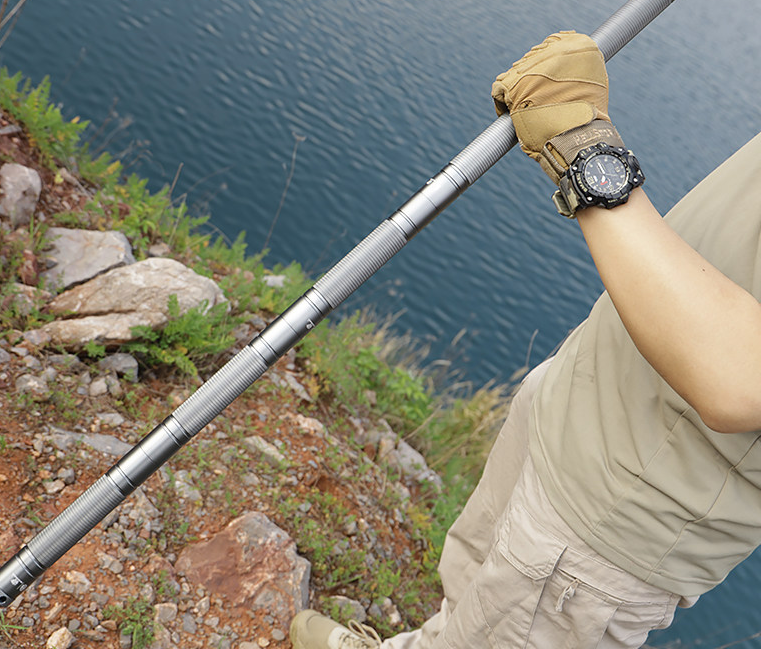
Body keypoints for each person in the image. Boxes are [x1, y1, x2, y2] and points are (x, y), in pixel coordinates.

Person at [290, 32, 761, 649]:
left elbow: (738, 377)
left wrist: (582, 145)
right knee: (468, 593)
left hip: (622, 515)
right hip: (577, 404)